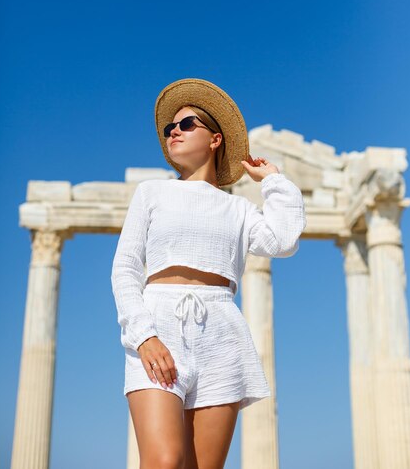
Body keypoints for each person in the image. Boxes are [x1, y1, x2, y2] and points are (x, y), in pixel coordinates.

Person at [111, 77, 306, 469]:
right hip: (159, 323)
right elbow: (126, 267)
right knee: (164, 461)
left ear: (215, 139)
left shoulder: (240, 210)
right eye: (169, 129)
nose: (173, 133)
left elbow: (283, 241)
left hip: (221, 332)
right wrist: (144, 335)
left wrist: (274, 182)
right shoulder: (151, 193)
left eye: (185, 125)